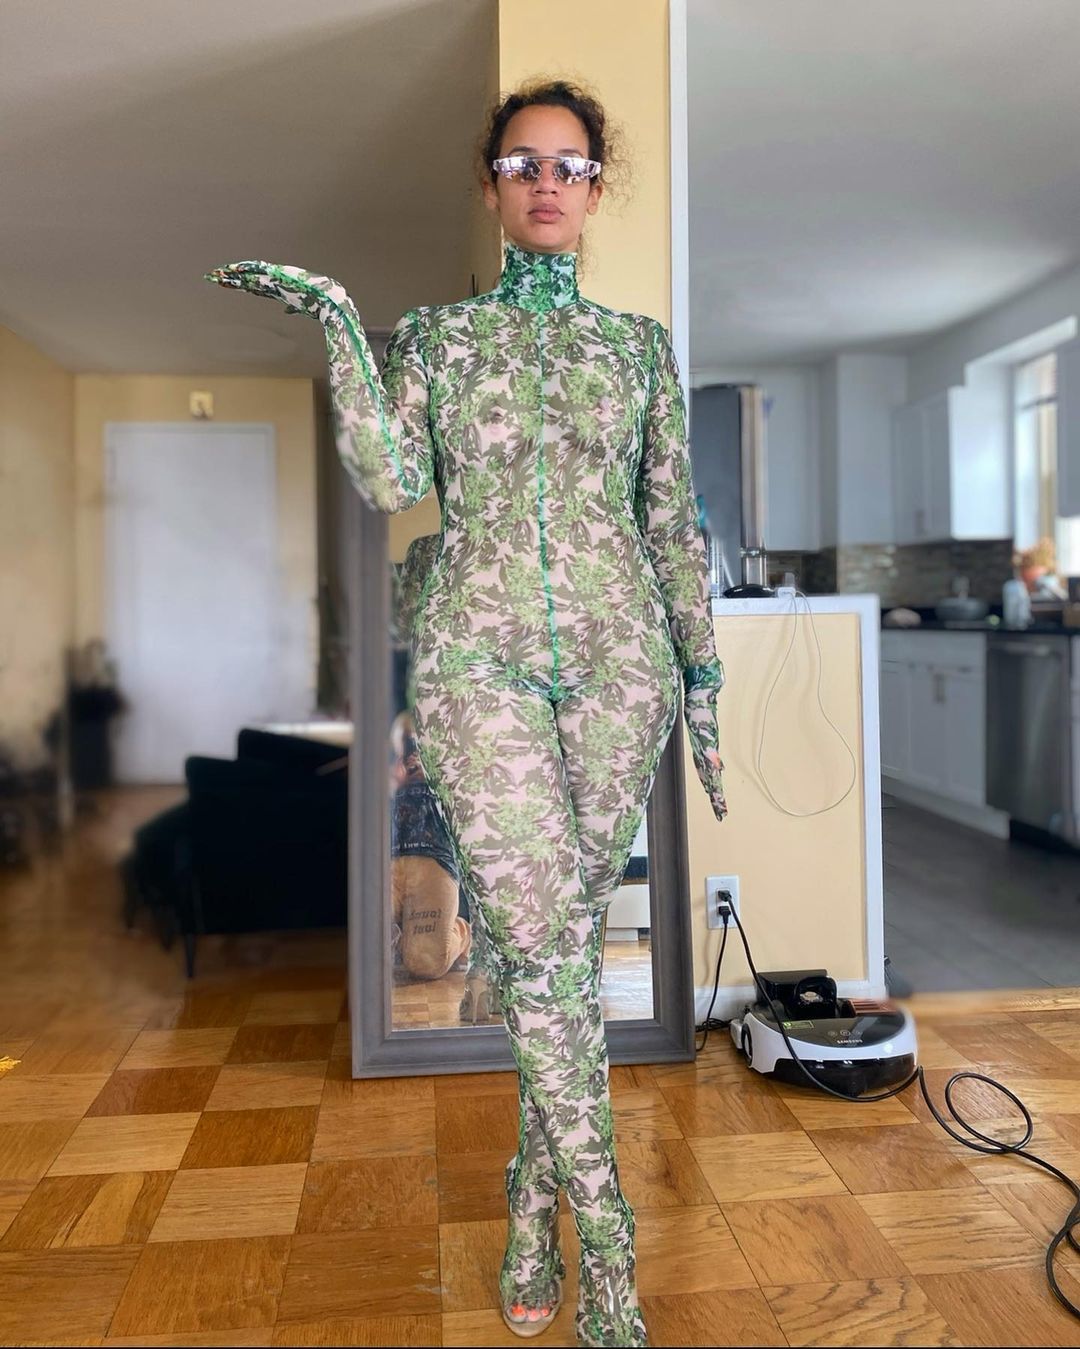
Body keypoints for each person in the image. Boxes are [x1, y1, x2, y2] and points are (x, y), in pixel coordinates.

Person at [205, 76, 727, 1349]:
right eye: (523, 163)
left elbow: (671, 522)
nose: (548, 183)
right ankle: (608, 1235)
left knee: (553, 952)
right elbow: (391, 476)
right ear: (491, 186)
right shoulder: (438, 338)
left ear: (597, 188)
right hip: (476, 660)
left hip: (619, 665)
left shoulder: (638, 348)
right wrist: (341, 321)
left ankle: (528, 1199)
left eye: (570, 165)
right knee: (542, 947)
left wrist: (704, 680)